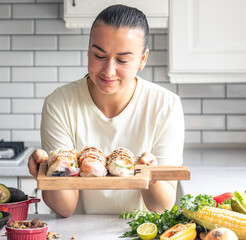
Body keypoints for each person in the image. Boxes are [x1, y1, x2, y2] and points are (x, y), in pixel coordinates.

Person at [28, 4, 184, 217]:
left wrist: (152, 175)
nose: (108, 70)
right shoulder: (59, 104)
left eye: (122, 60)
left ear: (142, 60)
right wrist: (46, 175)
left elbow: (161, 207)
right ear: (88, 50)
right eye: (99, 56)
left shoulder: (166, 106)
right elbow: (65, 208)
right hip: (79, 231)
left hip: (141, 231)